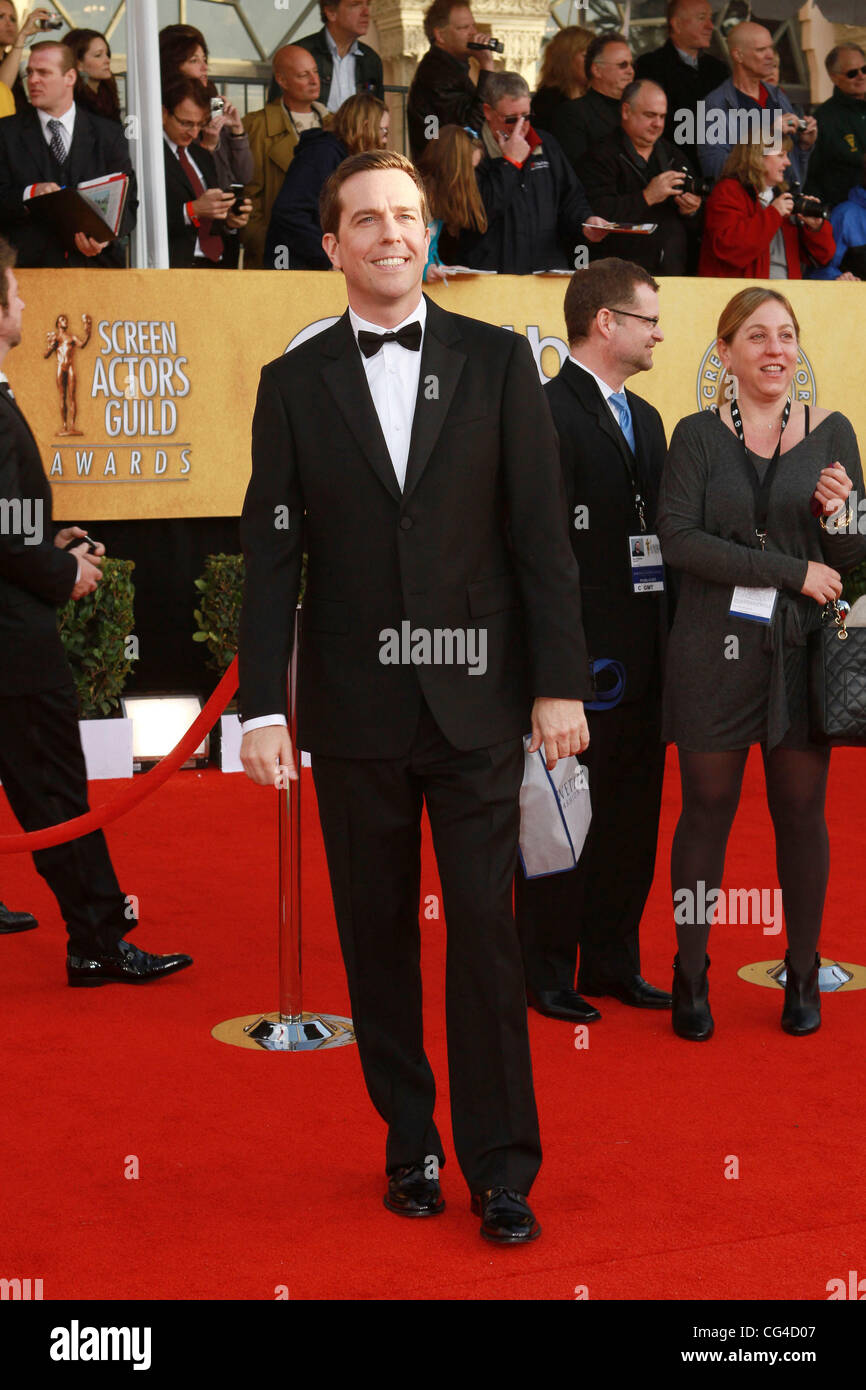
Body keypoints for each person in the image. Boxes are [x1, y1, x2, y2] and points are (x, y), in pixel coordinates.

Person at [239, 148, 592, 1244]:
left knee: (484, 935)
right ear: (333, 243)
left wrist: (557, 686)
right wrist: (262, 706)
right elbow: (271, 560)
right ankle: (410, 1144)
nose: (393, 233)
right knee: (377, 939)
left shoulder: (496, 364)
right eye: (368, 219)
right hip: (352, 715)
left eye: (408, 215)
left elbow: (540, 541)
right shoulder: (290, 384)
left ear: (427, 235)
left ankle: (499, 1166)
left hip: (479, 707)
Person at [657, 286, 866, 1040]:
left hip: (800, 656)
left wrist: (841, 517)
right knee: (706, 811)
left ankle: (802, 970)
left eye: (785, 335)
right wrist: (790, 572)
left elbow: (849, 559)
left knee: (801, 814)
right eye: (756, 337)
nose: (774, 349)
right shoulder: (695, 436)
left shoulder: (832, 430)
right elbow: (678, 541)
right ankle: (690, 970)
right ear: (727, 353)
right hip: (709, 650)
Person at [0, 238, 193, 986]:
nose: (23, 306)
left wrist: (44, 539)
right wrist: (62, 569)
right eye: (13, 295)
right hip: (14, 643)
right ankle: (99, 940)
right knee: (56, 795)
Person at [515, 258, 672, 1022]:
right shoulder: (543, 410)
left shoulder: (647, 419)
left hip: (643, 662)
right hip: (576, 668)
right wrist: (557, 674)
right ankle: (545, 970)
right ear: (606, 323)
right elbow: (535, 555)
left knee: (629, 820)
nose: (660, 334)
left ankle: (612, 962)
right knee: (559, 819)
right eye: (649, 320)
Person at [447, 71, 609, 275]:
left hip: (544, 273)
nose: (520, 127)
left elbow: (571, 197)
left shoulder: (546, 144)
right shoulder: (471, 150)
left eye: (526, 117)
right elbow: (478, 214)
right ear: (488, 112)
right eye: (511, 119)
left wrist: (585, 221)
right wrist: (511, 164)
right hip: (490, 277)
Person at [0, 40, 137, 268]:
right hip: (27, 274)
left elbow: (128, 203)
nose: (33, 80)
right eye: (30, 72)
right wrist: (29, 193)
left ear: (70, 78)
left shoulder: (109, 134)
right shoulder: (5, 133)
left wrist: (103, 239)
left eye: (43, 72)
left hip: (96, 273)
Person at [577, 79, 702, 275]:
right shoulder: (600, 156)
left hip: (673, 274)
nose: (658, 124)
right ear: (626, 111)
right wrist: (646, 197)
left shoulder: (674, 156)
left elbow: (700, 227)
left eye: (662, 116)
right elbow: (596, 218)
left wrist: (692, 211)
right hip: (619, 277)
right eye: (650, 115)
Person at [264, 93, 388, 270]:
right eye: (383, 130)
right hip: (298, 270)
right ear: (366, 127)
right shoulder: (322, 154)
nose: (385, 138)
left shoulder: (342, 157)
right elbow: (289, 212)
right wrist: (329, 256)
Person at [240, 45, 330, 270]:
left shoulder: (334, 124)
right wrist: (263, 242)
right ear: (282, 80)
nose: (314, 80)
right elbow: (250, 194)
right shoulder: (258, 126)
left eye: (316, 72)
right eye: (303, 75)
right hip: (277, 255)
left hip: (325, 255)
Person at [697, 22, 817, 187]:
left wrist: (804, 145)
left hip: (785, 206)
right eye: (761, 50)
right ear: (738, 56)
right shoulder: (715, 105)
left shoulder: (778, 96)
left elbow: (790, 167)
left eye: (771, 48)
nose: (770, 56)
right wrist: (769, 136)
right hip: (747, 208)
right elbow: (715, 170)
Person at [699, 135, 834, 279]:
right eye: (781, 155)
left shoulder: (783, 198)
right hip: (744, 296)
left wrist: (814, 229)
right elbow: (728, 248)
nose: (788, 162)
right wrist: (774, 213)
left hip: (787, 293)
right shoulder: (728, 191)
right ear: (757, 157)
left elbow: (822, 258)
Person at [162, 76, 252, 269]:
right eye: (186, 123)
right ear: (163, 113)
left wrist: (230, 220)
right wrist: (192, 210)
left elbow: (211, 218)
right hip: (175, 265)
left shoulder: (201, 154)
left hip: (218, 262)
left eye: (200, 124)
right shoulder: (149, 155)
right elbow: (142, 214)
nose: (194, 133)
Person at [635, 0, 728, 167]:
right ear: (677, 25)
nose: (710, 26)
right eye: (702, 18)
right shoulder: (650, 67)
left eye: (711, 18)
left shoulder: (719, 70)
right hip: (671, 172)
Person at [159, 23, 250, 192]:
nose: (204, 67)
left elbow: (245, 176)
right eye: (194, 60)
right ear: (171, 66)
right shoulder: (162, 109)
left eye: (204, 59)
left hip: (223, 208)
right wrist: (207, 147)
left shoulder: (214, 102)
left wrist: (238, 132)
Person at [406, 0, 496, 161]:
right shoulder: (437, 74)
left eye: (473, 26)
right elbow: (471, 127)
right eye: (463, 28)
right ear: (440, 35)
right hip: (445, 174)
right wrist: (487, 66)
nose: (473, 33)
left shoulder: (447, 68)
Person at [551, 31, 635, 172]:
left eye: (631, 64)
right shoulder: (573, 114)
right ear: (596, 70)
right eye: (622, 65)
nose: (631, 71)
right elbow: (577, 172)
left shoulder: (637, 111)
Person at [416, 122, 485, 277]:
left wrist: (443, 268)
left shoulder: (439, 198)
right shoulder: (415, 196)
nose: (472, 178)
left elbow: (429, 253)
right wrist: (428, 270)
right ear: (452, 167)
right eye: (469, 169)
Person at [806, 45, 866, 213]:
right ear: (834, 77)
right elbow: (813, 175)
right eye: (852, 73)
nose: (861, 76)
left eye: (864, 69)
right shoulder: (824, 119)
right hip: (847, 214)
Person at [297, 0, 383, 113]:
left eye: (368, 4)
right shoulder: (300, 54)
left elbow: (378, 114)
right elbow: (278, 113)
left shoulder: (371, 59)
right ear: (331, 12)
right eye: (355, 4)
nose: (366, 12)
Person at [532, 25, 593, 133]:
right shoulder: (548, 101)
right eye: (586, 56)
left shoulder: (593, 98)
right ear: (566, 59)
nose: (593, 62)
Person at [0, 1, 54, 111]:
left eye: (13, 19)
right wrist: (22, 36)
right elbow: (2, 91)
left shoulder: (13, 61)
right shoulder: (13, 60)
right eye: (0, 17)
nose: (9, 23)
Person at [62, 26, 121, 123]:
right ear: (78, 64)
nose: (107, 60)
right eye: (98, 55)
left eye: (107, 54)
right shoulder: (74, 103)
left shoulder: (106, 95)